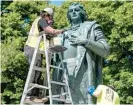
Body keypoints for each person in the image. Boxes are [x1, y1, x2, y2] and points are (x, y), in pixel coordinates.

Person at [53, 2, 110, 104]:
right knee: (62, 101)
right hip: (61, 70)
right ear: (68, 15)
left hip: (82, 69)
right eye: (71, 11)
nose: (74, 12)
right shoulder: (62, 33)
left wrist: (86, 41)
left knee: (81, 101)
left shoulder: (92, 27)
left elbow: (105, 50)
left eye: (77, 10)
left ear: (82, 13)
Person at [24, 7, 63, 102]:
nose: (50, 21)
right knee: (35, 71)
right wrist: (58, 31)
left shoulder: (42, 24)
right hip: (32, 48)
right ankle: (29, 96)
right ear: (48, 15)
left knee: (38, 72)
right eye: (50, 18)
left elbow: (47, 35)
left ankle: (35, 95)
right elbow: (49, 30)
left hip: (36, 49)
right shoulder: (41, 20)